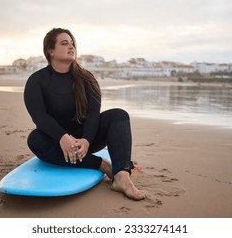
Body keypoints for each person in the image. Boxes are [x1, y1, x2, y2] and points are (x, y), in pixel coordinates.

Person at [24, 28, 146, 200]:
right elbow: (39, 116)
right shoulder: (37, 81)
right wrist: (62, 137)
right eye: (64, 43)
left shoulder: (86, 78)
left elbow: (93, 114)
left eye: (72, 43)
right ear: (50, 50)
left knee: (119, 115)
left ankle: (122, 176)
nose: (71, 46)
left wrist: (87, 140)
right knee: (34, 139)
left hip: (85, 141)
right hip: (55, 141)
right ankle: (102, 165)